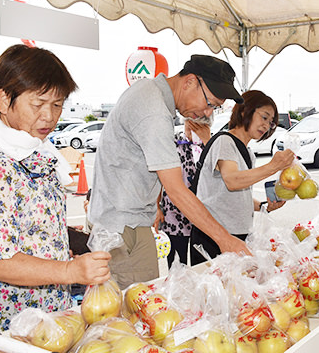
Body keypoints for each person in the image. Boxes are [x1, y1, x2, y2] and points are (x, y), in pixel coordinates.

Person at [0, 44, 111, 340]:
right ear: (4, 99)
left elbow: (33, 226)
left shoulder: (35, 152)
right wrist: (71, 272)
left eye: (57, 104)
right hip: (4, 325)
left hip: (46, 318)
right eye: (38, 104)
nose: (49, 117)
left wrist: (80, 241)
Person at [89, 55, 250, 289]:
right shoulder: (153, 109)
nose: (207, 113)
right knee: (132, 314)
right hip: (121, 231)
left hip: (128, 225)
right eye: (210, 103)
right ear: (190, 82)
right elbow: (176, 189)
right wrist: (224, 240)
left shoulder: (151, 95)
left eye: (214, 108)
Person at [190, 90, 295, 265]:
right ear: (245, 111)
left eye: (271, 123)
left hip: (236, 235)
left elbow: (238, 194)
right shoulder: (225, 141)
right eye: (264, 117)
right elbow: (232, 181)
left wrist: (262, 206)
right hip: (214, 236)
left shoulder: (247, 152)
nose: (266, 126)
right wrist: (273, 166)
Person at [155, 118, 212, 267]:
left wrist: (207, 141)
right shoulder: (173, 143)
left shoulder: (213, 145)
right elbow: (157, 178)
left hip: (203, 213)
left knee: (202, 264)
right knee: (176, 264)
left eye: (200, 123)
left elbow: (219, 175)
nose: (193, 127)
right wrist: (156, 207)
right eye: (190, 122)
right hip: (174, 213)